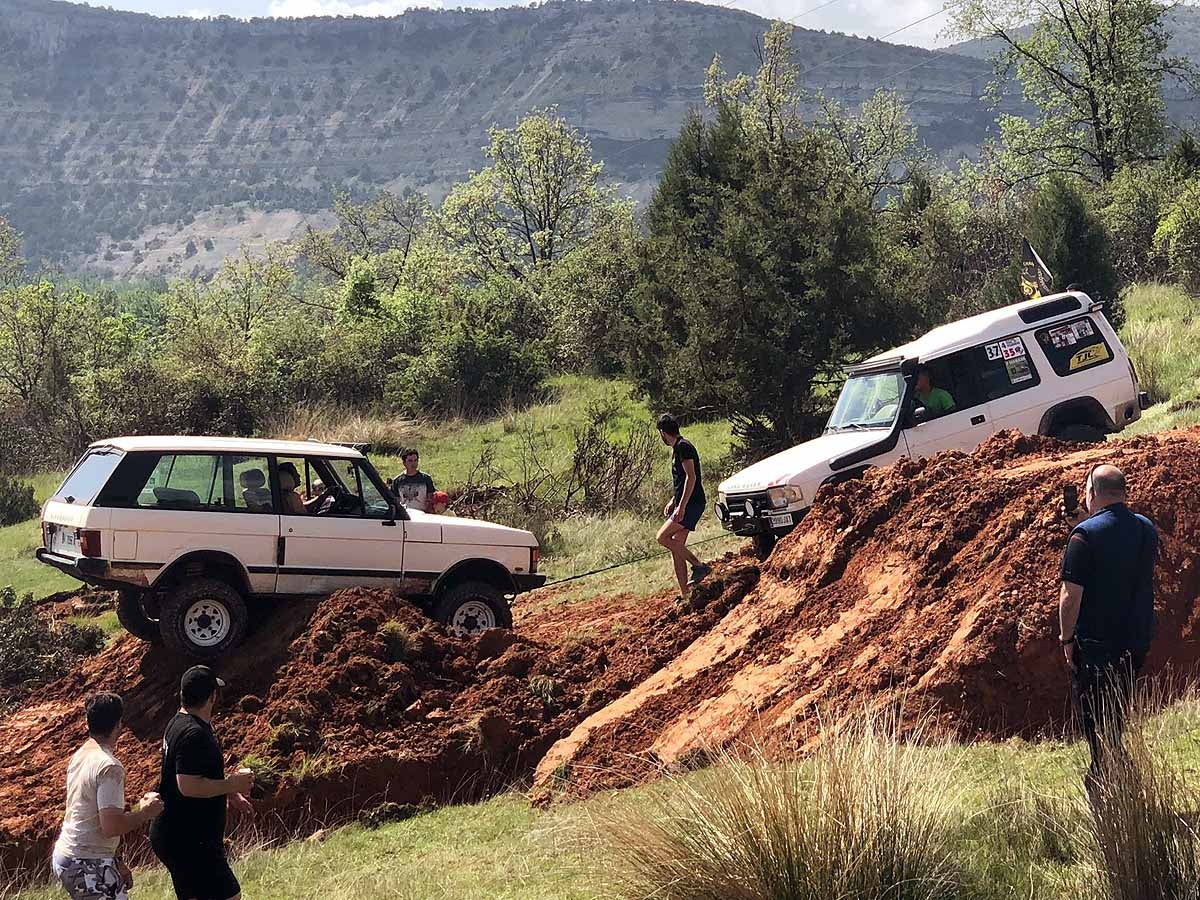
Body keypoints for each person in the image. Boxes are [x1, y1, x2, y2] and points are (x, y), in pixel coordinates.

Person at [1059, 464, 1158, 788]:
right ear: (1122, 491)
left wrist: (1067, 639)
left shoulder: (1083, 538)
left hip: (1097, 646)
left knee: (1097, 721)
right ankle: (1118, 774)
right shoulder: (1146, 528)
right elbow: (1118, 555)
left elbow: (1070, 597)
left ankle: (1107, 781)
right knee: (1115, 712)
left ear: (1090, 494)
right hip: (1135, 641)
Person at [150, 666, 254, 900]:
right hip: (189, 840)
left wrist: (230, 793)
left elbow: (198, 770)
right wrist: (231, 785)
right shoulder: (194, 734)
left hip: (178, 834)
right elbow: (188, 785)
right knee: (230, 896)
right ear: (212, 697)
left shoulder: (180, 722)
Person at [52, 693, 163, 900]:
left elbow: (91, 815)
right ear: (119, 723)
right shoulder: (109, 767)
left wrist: (115, 860)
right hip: (86, 861)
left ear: (88, 722)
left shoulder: (80, 755)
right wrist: (146, 812)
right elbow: (111, 826)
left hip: (72, 856)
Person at [655, 414, 711, 601]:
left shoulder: (683, 447)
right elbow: (681, 481)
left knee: (662, 537)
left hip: (692, 504)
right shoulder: (677, 448)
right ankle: (685, 593)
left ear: (663, 432)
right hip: (685, 503)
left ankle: (699, 566)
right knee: (677, 547)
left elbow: (691, 477)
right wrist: (674, 500)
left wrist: (682, 506)